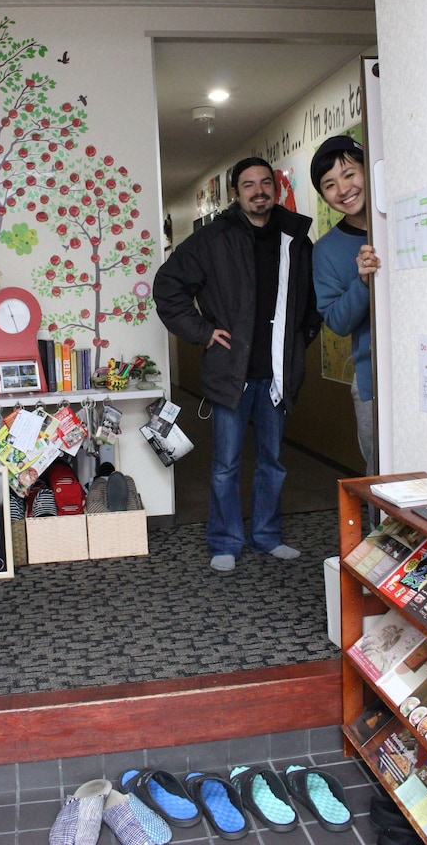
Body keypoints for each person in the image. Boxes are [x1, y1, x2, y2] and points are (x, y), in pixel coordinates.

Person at [153, 157, 321, 572]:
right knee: (226, 464)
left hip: (277, 374)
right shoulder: (214, 239)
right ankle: (225, 541)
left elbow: (313, 301)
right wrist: (203, 331)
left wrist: (298, 341)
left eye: (265, 183)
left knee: (272, 462)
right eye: (249, 184)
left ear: (275, 189)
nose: (258, 191)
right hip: (233, 373)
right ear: (235, 193)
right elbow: (168, 285)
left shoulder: (296, 238)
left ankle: (266, 535)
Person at [310, 135, 381, 516]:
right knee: (381, 479)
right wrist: (362, 282)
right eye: (330, 184)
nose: (343, 189)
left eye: (349, 174)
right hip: (372, 381)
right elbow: (337, 321)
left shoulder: (401, 216)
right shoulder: (327, 249)